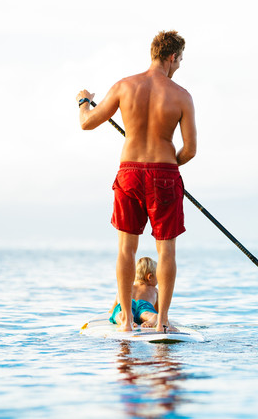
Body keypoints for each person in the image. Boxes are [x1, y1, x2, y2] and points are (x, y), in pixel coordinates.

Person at [77, 29, 197, 334]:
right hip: (165, 175)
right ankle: (163, 321)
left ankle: (128, 322)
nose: (180, 65)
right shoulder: (181, 95)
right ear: (172, 57)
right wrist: (170, 165)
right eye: (180, 59)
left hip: (129, 172)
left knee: (125, 249)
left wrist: (83, 100)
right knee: (166, 251)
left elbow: (87, 123)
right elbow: (190, 150)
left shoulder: (124, 86)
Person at [109, 257, 160, 328]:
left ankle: (124, 320)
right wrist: (155, 315)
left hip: (127, 305)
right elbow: (158, 310)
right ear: (150, 277)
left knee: (120, 314)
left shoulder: (125, 289)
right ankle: (152, 319)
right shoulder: (154, 290)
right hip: (144, 306)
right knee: (148, 314)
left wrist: (111, 313)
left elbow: (113, 309)